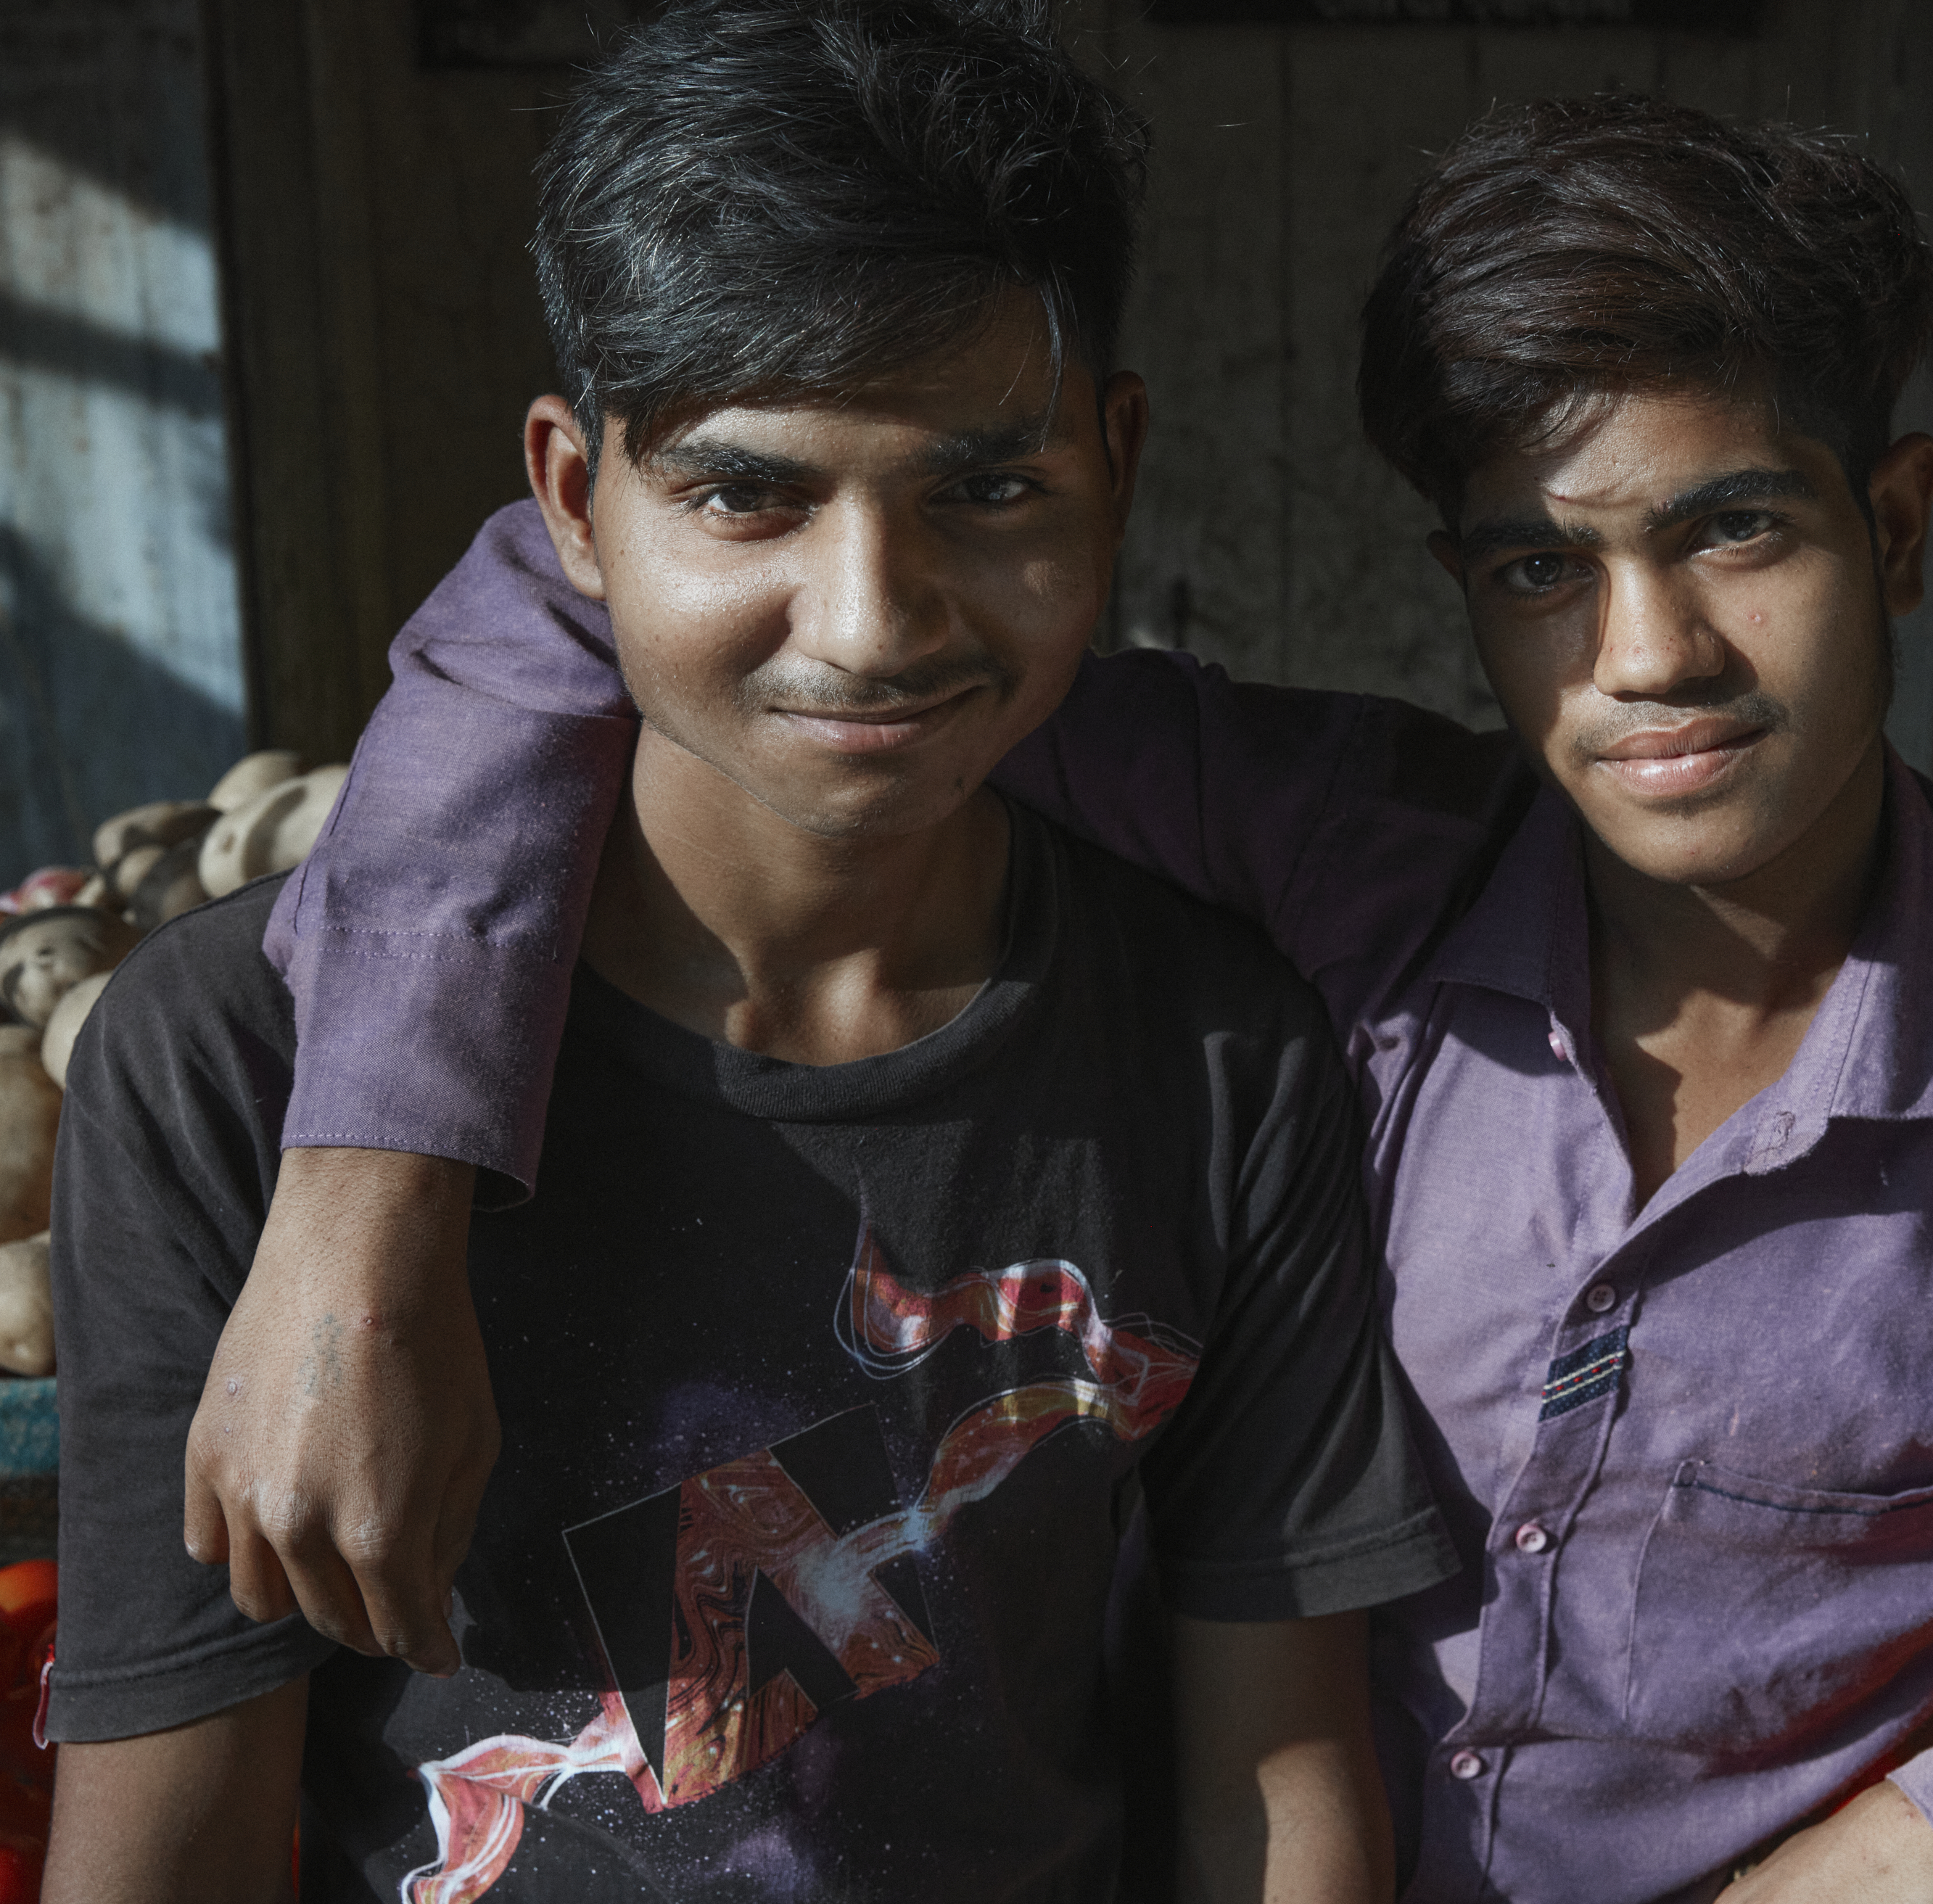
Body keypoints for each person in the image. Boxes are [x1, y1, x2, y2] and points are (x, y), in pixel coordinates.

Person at [184, 88, 1933, 1904]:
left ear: (1894, 522)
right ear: (1462, 583)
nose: (1650, 664)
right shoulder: (1335, 856)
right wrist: (370, 1183)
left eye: (1737, 527)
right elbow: (574, 593)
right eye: (1544, 563)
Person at [41, 5, 1456, 1896]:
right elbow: (173, 1846)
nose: (869, 624)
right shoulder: (227, 1063)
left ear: (1114, 462)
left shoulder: (1224, 1058)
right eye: (742, 493)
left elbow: (1271, 1776)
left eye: (987, 487)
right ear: (572, 499)